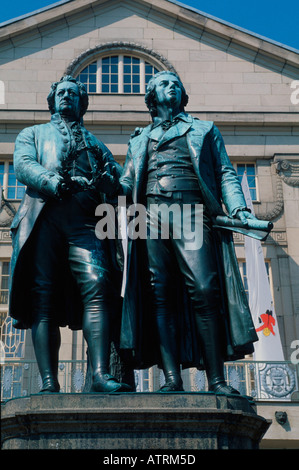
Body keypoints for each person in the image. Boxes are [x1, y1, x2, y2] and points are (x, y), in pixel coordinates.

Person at [119, 71, 260, 394]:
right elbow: (127, 181)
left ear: (182, 94)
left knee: (205, 289)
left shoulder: (203, 129)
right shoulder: (140, 138)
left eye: (176, 83)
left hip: (191, 211)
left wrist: (238, 208)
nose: (172, 86)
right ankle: (171, 379)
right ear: (152, 97)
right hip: (150, 214)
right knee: (159, 293)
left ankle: (217, 380)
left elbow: (225, 172)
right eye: (164, 83)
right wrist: (109, 182)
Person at [9, 75, 131, 393]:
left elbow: (121, 182)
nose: (66, 97)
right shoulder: (32, 134)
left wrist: (111, 185)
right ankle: (49, 383)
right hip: (45, 217)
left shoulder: (96, 144)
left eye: (72, 94)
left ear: (82, 103)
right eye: (61, 93)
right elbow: (22, 165)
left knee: (99, 284)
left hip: (86, 223)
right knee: (43, 297)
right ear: (53, 101)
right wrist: (53, 181)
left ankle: (100, 375)